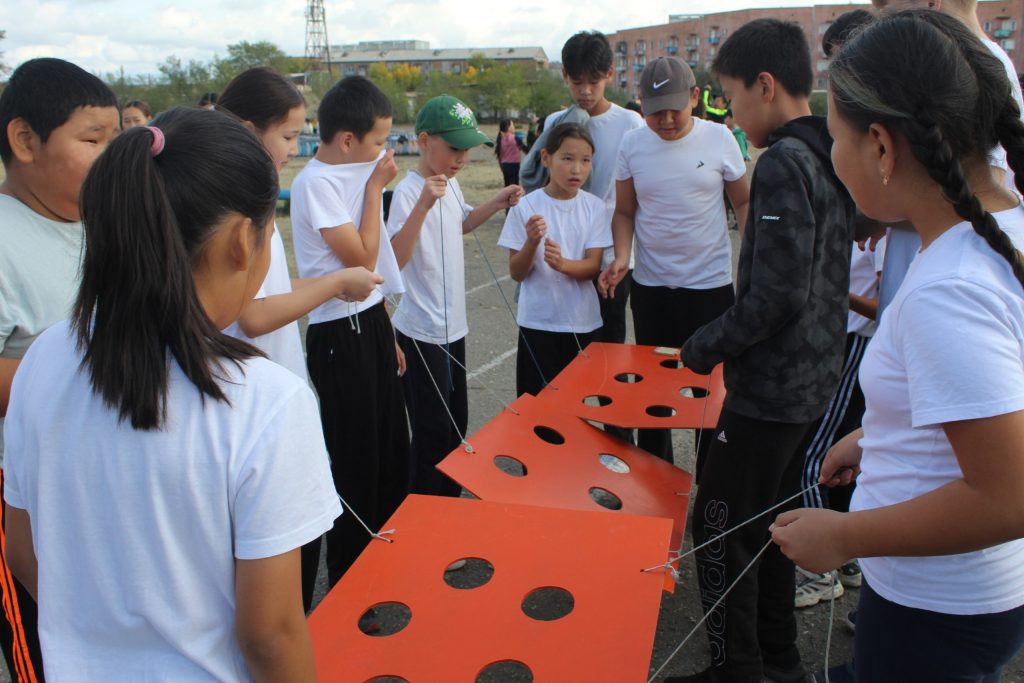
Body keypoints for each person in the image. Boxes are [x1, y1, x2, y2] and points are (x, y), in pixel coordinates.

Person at [4, 107, 340, 680]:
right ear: (242, 241)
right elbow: (270, 635)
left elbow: (22, 550)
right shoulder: (267, 401)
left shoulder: (43, 359)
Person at [771, 12, 1024, 683]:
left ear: (881, 146)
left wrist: (843, 535)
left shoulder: (951, 289)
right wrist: (876, 437)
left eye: (836, 138)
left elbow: (1009, 497)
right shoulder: (1000, 232)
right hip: (976, 596)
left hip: (934, 606)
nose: (833, 156)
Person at [668, 19, 856, 683]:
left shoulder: (782, 161)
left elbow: (776, 295)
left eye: (731, 97)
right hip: (814, 381)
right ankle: (779, 658)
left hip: (771, 390)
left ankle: (736, 668)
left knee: (720, 524)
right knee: (774, 522)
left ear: (766, 85)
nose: (729, 112)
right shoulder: (832, 152)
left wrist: (702, 346)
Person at [0, 57, 119, 683]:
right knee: (51, 642)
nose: (110, 157)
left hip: (104, 470)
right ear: (25, 141)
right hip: (23, 489)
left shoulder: (102, 223)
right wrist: (100, 373)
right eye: (93, 141)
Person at [289, 75, 411, 589]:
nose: (384, 152)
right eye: (378, 140)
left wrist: (388, 332)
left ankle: (389, 563)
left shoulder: (351, 174)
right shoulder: (316, 183)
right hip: (339, 335)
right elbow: (361, 259)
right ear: (346, 140)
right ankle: (350, 579)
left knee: (392, 449)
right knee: (356, 459)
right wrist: (375, 190)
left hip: (370, 324)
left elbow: (370, 279)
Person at [598, 56, 750, 464]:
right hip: (653, 289)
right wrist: (622, 257)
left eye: (674, 110)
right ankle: (655, 477)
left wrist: (753, 259)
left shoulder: (719, 138)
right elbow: (624, 210)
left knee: (709, 395)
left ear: (695, 98)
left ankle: (710, 481)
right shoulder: (633, 144)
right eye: (655, 112)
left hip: (710, 288)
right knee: (654, 392)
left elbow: (743, 202)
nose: (665, 121)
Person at [388, 96, 522, 498]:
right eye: (454, 148)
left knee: (455, 425)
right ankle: (425, 509)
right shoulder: (408, 193)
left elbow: (462, 222)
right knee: (431, 432)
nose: (462, 158)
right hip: (421, 331)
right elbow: (395, 258)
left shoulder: (452, 182)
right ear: (423, 141)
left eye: (467, 149)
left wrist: (495, 203)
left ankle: (446, 504)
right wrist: (423, 205)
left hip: (453, 326)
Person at [218, 67, 381, 382]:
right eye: (288, 137)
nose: (295, 149)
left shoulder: (253, 199)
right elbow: (253, 316)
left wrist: (334, 283)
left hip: (275, 376)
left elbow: (269, 289)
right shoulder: (238, 208)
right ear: (248, 132)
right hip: (257, 382)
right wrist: (335, 284)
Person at [498, 122, 610, 397]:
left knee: (577, 403)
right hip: (538, 322)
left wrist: (563, 264)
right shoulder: (526, 206)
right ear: (546, 158)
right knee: (536, 404)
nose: (576, 169)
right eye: (567, 158)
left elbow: (593, 266)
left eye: (585, 161)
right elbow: (516, 272)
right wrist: (531, 242)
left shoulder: (594, 207)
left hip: (582, 322)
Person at [495, 118, 526, 187]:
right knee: (514, 185)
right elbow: (526, 150)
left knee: (507, 185)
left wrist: (501, 167)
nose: (514, 127)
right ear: (508, 127)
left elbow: (499, 155)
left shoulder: (500, 139)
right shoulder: (515, 138)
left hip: (504, 165)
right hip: (514, 165)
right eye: (512, 125)